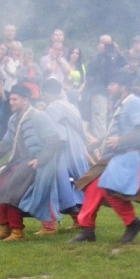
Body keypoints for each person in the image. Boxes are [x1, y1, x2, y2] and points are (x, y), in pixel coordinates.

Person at [71, 71, 140, 244]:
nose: (109, 87)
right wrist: (99, 142)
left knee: (109, 187)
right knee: (92, 186)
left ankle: (133, 223)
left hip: (130, 155)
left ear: (123, 88)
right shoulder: (119, 103)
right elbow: (115, 133)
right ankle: (87, 230)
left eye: (112, 84)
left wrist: (121, 140)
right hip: (115, 155)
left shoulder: (134, 102)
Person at [0, 84, 61, 241]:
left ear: (26, 100)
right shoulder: (13, 119)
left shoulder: (38, 116)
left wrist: (40, 160)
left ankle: (17, 232)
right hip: (18, 162)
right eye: (10, 99)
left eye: (15, 99)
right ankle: (5, 228)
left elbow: (54, 141)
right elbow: (6, 144)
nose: (11, 102)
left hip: (34, 163)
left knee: (10, 192)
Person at [39, 78, 91, 233]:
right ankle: (79, 219)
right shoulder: (70, 105)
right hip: (77, 148)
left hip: (65, 151)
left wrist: (48, 152)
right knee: (76, 183)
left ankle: (57, 223)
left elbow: (58, 135)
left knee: (63, 186)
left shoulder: (52, 108)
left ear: (45, 94)